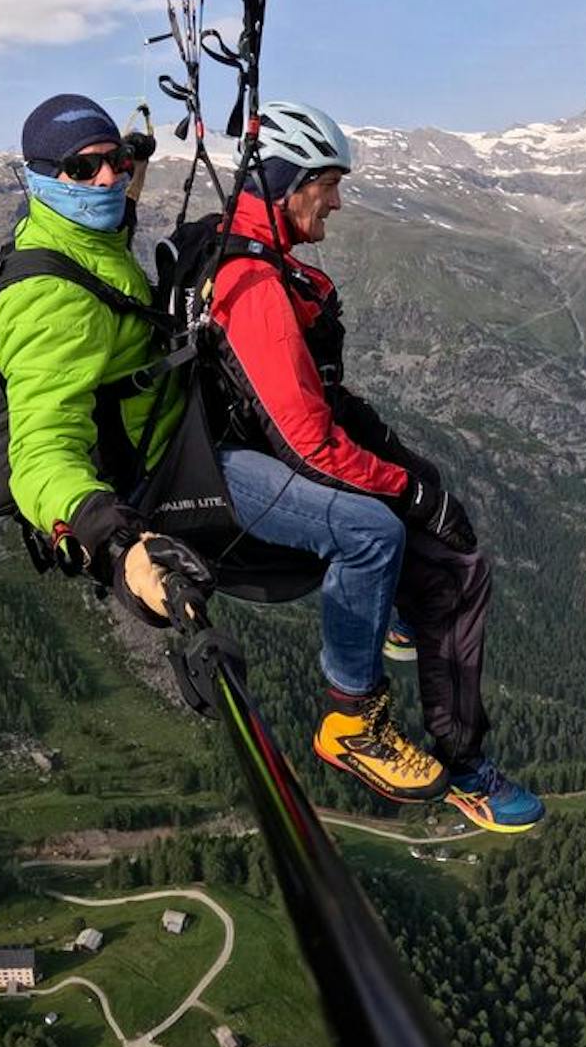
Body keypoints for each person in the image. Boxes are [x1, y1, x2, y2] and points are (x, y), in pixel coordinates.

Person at [205, 101, 544, 832]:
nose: (336, 199)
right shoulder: (255, 285)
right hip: (231, 468)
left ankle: (463, 764)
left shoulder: (277, 269)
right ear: (285, 181)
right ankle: (350, 722)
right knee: (373, 531)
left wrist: (410, 465)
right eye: (326, 182)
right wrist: (412, 491)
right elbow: (308, 445)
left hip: (264, 447)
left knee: (460, 567)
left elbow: (323, 403)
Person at [0, 93, 210, 627]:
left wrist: (139, 162)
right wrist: (113, 540)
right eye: (83, 167)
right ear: (39, 178)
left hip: (174, 431)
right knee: (365, 531)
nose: (107, 178)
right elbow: (40, 452)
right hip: (156, 475)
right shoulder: (49, 299)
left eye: (117, 162)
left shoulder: (81, 235)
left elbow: (119, 211)